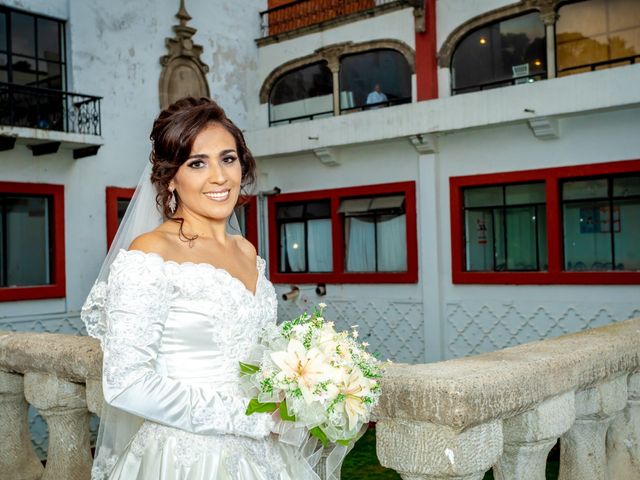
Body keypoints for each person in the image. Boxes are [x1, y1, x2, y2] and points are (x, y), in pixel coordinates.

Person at [81, 97, 323, 479]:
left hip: (267, 455)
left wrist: (303, 391)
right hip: (186, 457)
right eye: (197, 163)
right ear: (170, 177)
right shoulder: (150, 253)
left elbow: (254, 353)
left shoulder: (245, 250)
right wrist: (249, 419)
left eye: (228, 158)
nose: (220, 177)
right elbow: (125, 385)